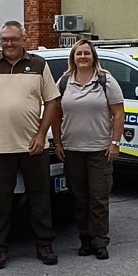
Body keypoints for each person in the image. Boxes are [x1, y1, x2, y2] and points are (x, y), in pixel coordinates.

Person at [0, 20, 61, 269]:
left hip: (34, 145)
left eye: (13, 39)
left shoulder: (39, 64)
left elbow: (52, 101)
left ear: (23, 39)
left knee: (40, 198)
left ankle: (44, 244)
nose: (9, 43)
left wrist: (42, 135)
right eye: (4, 39)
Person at [53, 40, 125, 259]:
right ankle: (85, 240)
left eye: (86, 53)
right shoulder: (64, 82)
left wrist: (115, 143)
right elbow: (56, 114)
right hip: (72, 150)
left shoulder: (105, 81)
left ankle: (100, 242)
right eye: (78, 54)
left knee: (99, 198)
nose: (82, 57)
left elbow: (118, 113)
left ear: (93, 56)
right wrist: (57, 142)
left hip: (100, 150)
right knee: (79, 198)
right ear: (72, 58)